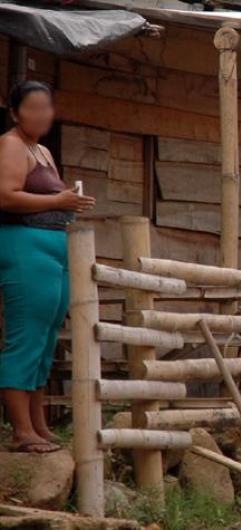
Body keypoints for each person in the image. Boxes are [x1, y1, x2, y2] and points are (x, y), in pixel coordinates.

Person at [0, 80, 95, 453]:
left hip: (54, 249)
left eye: (46, 108)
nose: (41, 115)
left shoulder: (41, 151)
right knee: (26, 334)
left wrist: (68, 202)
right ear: (14, 112)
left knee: (46, 337)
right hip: (24, 246)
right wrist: (58, 198)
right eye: (32, 108)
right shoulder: (10, 145)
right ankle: (21, 431)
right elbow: (5, 195)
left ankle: (38, 424)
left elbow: (49, 198)